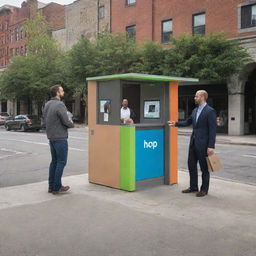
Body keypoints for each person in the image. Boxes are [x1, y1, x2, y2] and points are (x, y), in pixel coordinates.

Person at [168, 90, 217, 197]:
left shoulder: (210, 111)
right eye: (195, 96)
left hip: (204, 145)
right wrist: (175, 123)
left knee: (204, 168)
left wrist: (211, 146)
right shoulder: (195, 111)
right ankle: (193, 187)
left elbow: (213, 130)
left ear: (203, 97)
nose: (194, 98)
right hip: (193, 143)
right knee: (191, 166)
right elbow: (187, 122)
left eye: (196, 96)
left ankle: (204, 190)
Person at [42, 84, 74, 194]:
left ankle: (51, 186)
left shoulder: (47, 104)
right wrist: (71, 124)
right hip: (60, 137)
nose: (63, 92)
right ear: (57, 93)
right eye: (62, 90)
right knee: (61, 162)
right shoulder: (60, 104)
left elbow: (44, 121)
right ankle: (57, 187)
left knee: (54, 162)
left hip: (51, 137)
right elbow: (66, 121)